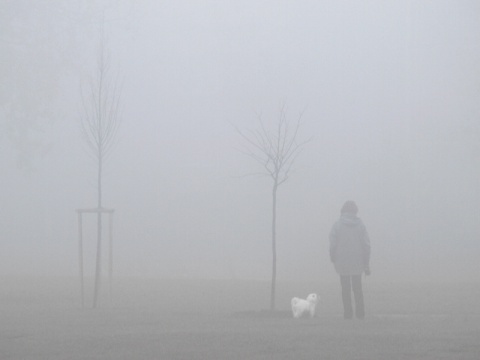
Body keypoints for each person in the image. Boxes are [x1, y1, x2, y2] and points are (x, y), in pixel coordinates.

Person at [329, 201, 371, 319]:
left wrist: (332, 256)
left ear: (343, 210)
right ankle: (360, 314)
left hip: (342, 261)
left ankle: (347, 314)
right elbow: (366, 244)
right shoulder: (361, 225)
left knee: (345, 288)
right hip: (358, 260)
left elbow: (333, 243)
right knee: (358, 288)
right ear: (355, 211)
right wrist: (366, 262)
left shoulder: (337, 225)